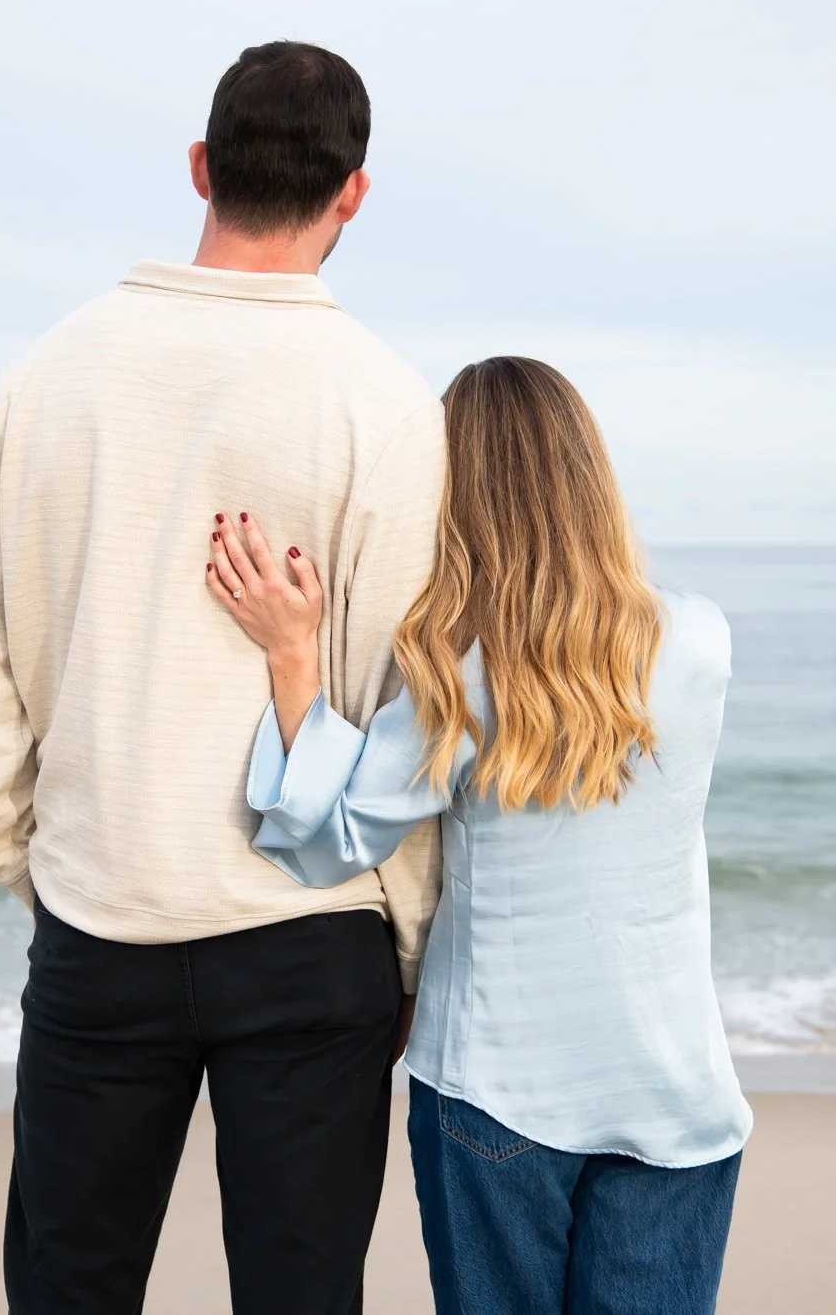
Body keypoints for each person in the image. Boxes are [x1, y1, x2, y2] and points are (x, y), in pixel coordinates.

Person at [0, 41, 446, 1315]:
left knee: (68, 1290)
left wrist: (31, 862)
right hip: (311, 936)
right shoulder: (385, 404)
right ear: (354, 194)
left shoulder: (42, 378)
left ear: (200, 168)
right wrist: (410, 943)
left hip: (101, 916)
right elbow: (410, 713)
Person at [207, 356, 753, 1315]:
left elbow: (327, 840)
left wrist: (295, 654)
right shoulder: (701, 639)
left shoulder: (457, 677)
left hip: (499, 1088)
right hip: (675, 1089)